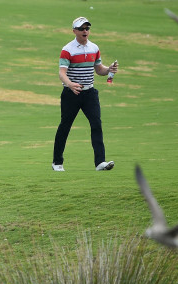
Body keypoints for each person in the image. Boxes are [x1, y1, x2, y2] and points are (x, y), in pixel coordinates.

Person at [52, 16, 119, 172]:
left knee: (96, 124)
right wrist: (69, 84)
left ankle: (100, 163)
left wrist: (109, 70)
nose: (85, 31)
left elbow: (99, 69)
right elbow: (62, 73)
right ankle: (57, 162)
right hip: (71, 93)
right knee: (65, 127)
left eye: (87, 28)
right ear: (74, 31)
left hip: (89, 93)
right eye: (81, 29)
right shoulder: (67, 49)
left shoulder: (94, 48)